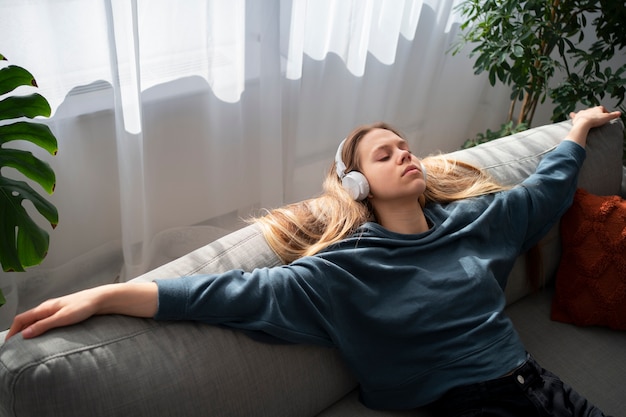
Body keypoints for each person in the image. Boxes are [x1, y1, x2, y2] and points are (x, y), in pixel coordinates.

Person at [5, 106, 621, 416]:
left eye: (404, 147)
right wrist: (105, 295)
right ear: (356, 185)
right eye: (385, 155)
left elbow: (547, 190)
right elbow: (221, 294)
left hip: (537, 383)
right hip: (470, 403)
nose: (406, 155)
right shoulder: (341, 272)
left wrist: (578, 127)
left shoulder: (477, 223)